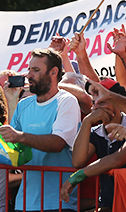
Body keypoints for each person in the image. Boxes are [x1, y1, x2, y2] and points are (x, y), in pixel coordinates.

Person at [0, 49, 81, 212]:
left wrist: (20, 137)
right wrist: (11, 100)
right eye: (29, 69)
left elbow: (57, 143)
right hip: (24, 203)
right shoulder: (23, 105)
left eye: (36, 70)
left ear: (53, 72)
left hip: (59, 203)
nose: (29, 75)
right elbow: (14, 152)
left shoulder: (67, 101)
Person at [61, 79, 126, 210]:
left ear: (120, 104)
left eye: (101, 102)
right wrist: (86, 122)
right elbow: (77, 161)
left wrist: (77, 177)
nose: (96, 107)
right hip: (108, 203)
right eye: (93, 103)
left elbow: (118, 159)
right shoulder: (95, 132)